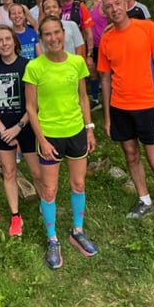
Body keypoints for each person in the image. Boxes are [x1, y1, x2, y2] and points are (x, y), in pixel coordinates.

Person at [97, 0, 154, 234]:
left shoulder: (147, 28)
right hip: (120, 107)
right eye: (109, 6)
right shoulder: (107, 39)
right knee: (131, 156)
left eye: (117, 4)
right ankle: (144, 199)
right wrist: (108, 117)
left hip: (147, 106)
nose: (114, 9)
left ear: (126, 4)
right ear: (105, 11)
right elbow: (104, 78)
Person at [24, 14, 98, 270]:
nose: (53, 38)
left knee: (78, 184)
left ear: (64, 34)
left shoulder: (77, 62)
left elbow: (84, 98)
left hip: (76, 131)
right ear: (41, 39)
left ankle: (77, 230)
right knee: (50, 190)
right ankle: (52, 238)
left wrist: (89, 129)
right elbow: (31, 108)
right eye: (47, 34)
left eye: (57, 32)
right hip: (50, 136)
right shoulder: (34, 67)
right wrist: (42, 139)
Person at [0, 25, 43, 236]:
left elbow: (35, 104)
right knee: (9, 172)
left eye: (8, 39)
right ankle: (16, 216)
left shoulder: (29, 66)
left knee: (37, 172)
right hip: (3, 129)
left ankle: (46, 207)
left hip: (27, 127)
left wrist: (19, 127)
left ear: (14, 42)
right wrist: (3, 129)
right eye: (0, 40)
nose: (4, 43)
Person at [77, 0, 107, 110]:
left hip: (103, 44)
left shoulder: (103, 5)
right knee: (92, 71)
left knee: (104, 73)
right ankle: (95, 99)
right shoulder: (83, 7)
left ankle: (108, 99)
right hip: (91, 45)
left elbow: (112, 21)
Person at [58, 0, 94, 65]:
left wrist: (89, 55)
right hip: (58, 53)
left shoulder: (80, 7)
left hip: (77, 53)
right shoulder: (53, 7)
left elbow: (89, 34)